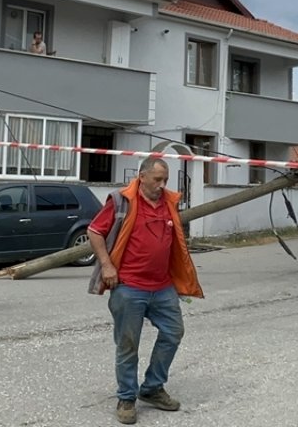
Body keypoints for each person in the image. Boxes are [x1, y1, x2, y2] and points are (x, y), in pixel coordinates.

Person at [87, 157, 203, 425]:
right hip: (129, 287)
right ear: (142, 176)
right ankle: (127, 397)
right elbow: (94, 232)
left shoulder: (168, 203)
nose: (162, 185)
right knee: (128, 345)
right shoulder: (121, 202)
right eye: (157, 180)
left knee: (174, 332)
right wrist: (106, 266)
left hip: (162, 287)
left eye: (165, 180)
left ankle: (151, 388)